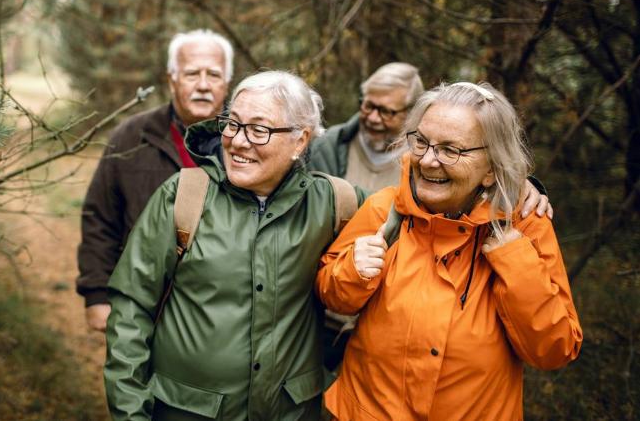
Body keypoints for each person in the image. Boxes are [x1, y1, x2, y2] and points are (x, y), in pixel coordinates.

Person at [104, 71, 369, 420]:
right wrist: (131, 414)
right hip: (186, 412)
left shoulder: (338, 204)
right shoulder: (184, 196)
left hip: (293, 412)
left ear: (300, 141)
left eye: (259, 130)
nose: (239, 141)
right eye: (232, 123)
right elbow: (130, 311)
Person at [315, 82, 583, 420]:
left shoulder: (526, 227)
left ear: (490, 169)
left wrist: (515, 260)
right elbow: (332, 294)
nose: (428, 161)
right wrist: (353, 270)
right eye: (422, 143)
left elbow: (554, 349)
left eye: (450, 150)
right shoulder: (385, 210)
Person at [76, 29, 234, 332]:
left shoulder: (245, 143)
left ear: (227, 83)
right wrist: (96, 295)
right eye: (191, 74)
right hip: (142, 302)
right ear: (171, 79)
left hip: (221, 313)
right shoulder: (131, 137)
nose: (203, 85)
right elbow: (100, 217)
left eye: (213, 75)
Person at [309, 62, 423, 193]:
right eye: (368, 106)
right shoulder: (326, 147)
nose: (373, 118)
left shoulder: (422, 161)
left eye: (386, 111)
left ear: (411, 114)